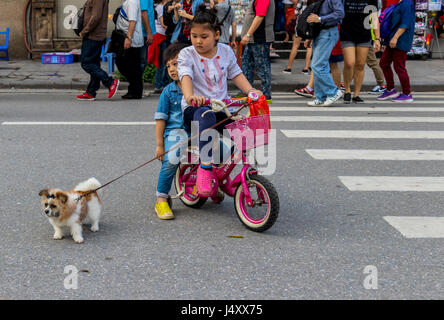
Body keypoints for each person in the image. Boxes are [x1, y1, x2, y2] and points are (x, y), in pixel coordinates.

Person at [178, 5, 262, 196]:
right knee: (205, 115)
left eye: (204, 36)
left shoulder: (225, 51)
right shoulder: (186, 54)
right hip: (196, 110)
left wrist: (251, 91)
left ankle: (230, 173)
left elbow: (236, 74)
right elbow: (185, 76)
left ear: (216, 34)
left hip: (222, 108)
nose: (198, 41)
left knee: (245, 132)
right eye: (194, 36)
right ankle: (206, 168)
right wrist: (190, 96)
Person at [154, 42, 189, 220]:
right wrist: (160, 145)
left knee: (218, 151)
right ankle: (161, 198)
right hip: (174, 133)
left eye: (176, 64)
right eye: (169, 66)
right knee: (171, 160)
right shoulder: (168, 92)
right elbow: (161, 119)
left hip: (195, 131)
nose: (172, 69)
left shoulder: (197, 86)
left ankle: (210, 187)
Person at [304, 0, 344, 106]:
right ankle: (320, 96)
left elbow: (340, 13)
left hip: (328, 32)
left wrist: (320, 19)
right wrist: (310, 36)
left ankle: (333, 92)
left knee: (317, 65)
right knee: (321, 65)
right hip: (321, 32)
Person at [77, 0, 119, 101]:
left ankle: (110, 82)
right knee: (94, 63)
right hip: (94, 35)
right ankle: (91, 91)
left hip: (93, 35)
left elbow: (96, 16)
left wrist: (84, 31)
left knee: (86, 63)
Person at [340, 0, 381, 104]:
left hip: (364, 34)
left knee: (360, 65)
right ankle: (347, 90)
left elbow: (374, 17)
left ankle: (356, 94)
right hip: (347, 33)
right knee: (349, 63)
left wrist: (377, 38)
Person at [377, 0, 415, 102]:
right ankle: (390, 89)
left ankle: (407, 94)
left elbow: (405, 23)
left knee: (399, 66)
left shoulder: (407, 3)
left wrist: (395, 38)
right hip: (393, 39)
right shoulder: (400, 3)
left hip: (401, 39)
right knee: (384, 63)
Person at [240, 0, 275, 103]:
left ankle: (266, 94)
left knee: (262, 67)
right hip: (254, 39)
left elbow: (260, 16)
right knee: (246, 65)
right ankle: (246, 92)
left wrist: (248, 34)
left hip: (260, 38)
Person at [115, 0, 145, 99]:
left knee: (126, 65)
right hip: (129, 38)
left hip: (131, 40)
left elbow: (133, 21)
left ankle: (135, 91)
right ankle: (134, 90)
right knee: (131, 67)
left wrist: (128, 38)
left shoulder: (132, 2)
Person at [283, 0, 312, 75]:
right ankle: (306, 68)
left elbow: (296, 12)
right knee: (309, 46)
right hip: (310, 25)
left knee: (295, 46)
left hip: (300, 25)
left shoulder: (302, 0)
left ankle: (288, 68)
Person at [148, 0, 170, 93]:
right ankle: (159, 85)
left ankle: (162, 84)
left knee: (162, 62)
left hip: (158, 36)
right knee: (162, 62)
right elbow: (163, 24)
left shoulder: (157, 6)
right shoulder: (160, 8)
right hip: (160, 36)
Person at [140, 0, 155, 74]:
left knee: (143, 61)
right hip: (142, 33)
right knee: (142, 61)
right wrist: (149, 32)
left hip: (144, 32)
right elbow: (143, 13)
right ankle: (136, 83)